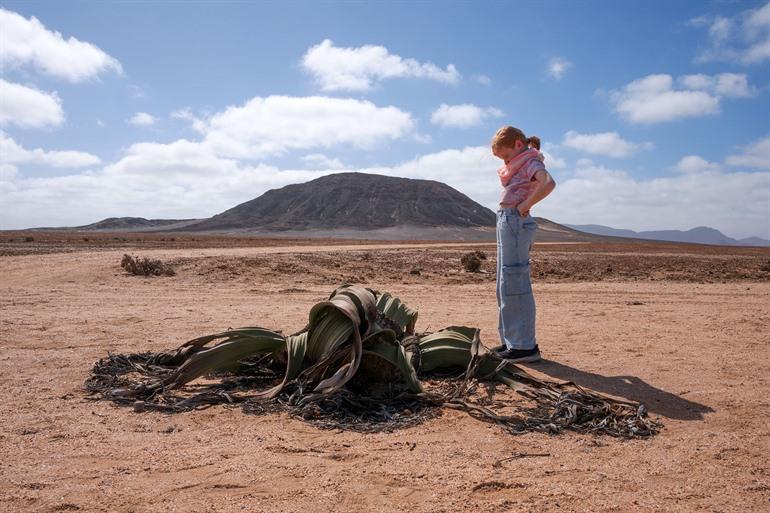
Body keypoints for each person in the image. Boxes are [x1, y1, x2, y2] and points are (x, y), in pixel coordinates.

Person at [491, 126, 556, 362]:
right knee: (504, 282)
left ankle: (524, 347)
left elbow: (548, 183)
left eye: (506, 156)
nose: (506, 162)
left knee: (514, 281)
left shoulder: (531, 162)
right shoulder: (522, 163)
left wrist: (524, 206)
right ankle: (512, 341)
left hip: (515, 222)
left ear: (518, 144)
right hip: (507, 222)